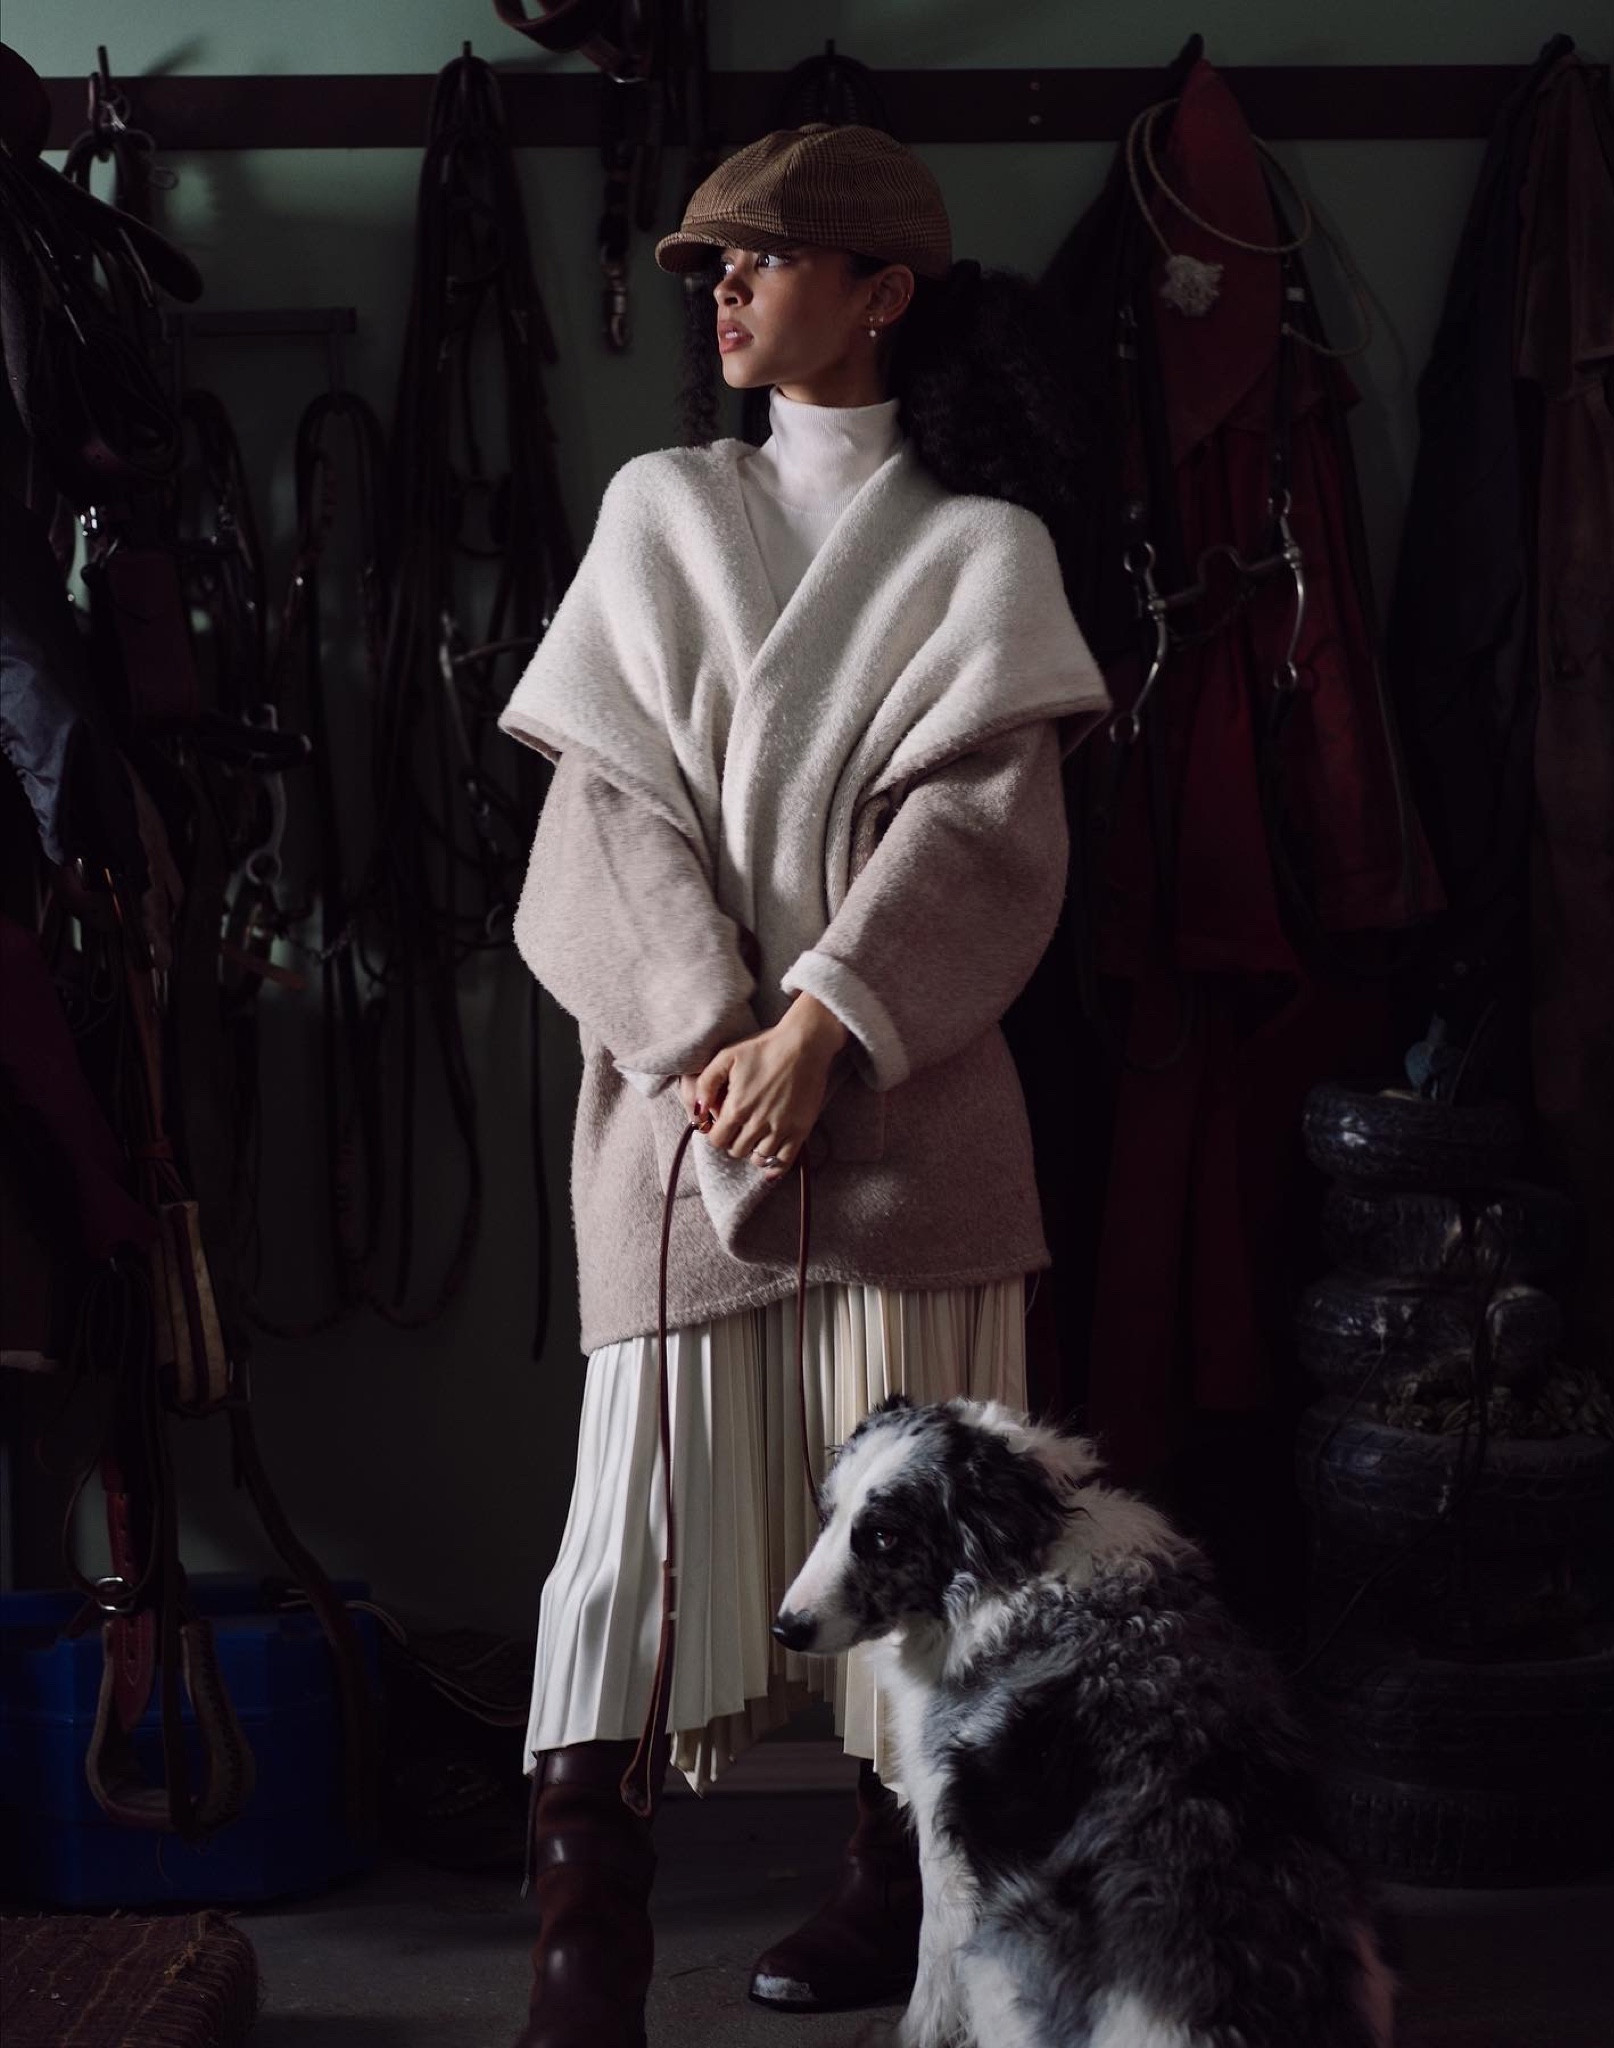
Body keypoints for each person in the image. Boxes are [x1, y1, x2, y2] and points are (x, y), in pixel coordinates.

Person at [496, 122, 1108, 2048]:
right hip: (682, 1130)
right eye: (707, 269)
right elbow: (598, 820)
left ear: (883, 290)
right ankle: (585, 1950)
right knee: (630, 1554)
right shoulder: (659, 511)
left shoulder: (986, 551)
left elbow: (986, 837)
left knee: (934, 1560)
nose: (724, 294)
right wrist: (715, 1041)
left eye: (758, 260)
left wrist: (824, 1022)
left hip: (915, 1130)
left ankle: (890, 1891)